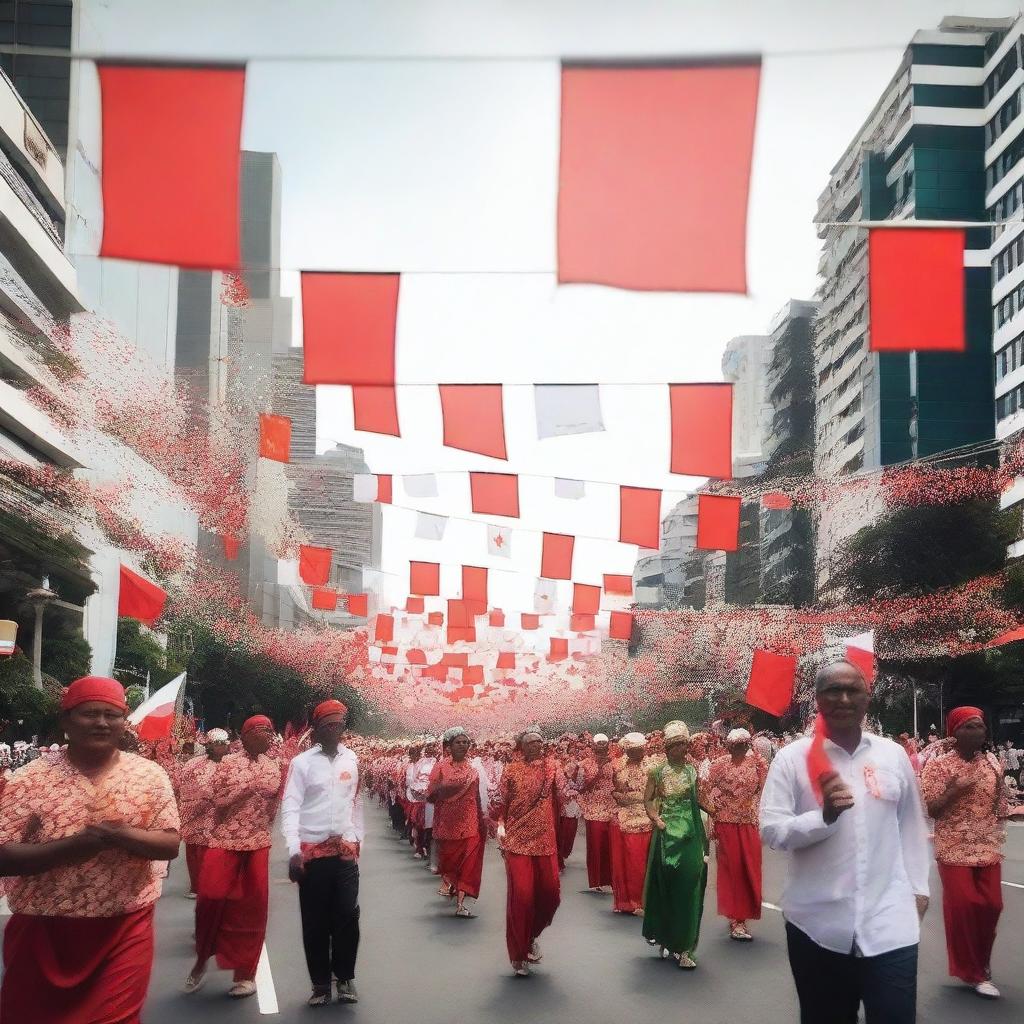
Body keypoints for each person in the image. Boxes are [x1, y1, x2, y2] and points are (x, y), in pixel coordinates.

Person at [760, 657, 930, 1024]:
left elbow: (911, 828)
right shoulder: (792, 759)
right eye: (833, 690)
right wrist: (822, 818)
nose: (843, 698)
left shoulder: (893, 755)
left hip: (890, 923)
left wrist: (918, 890)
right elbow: (772, 830)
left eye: (853, 690)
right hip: (816, 925)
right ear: (817, 699)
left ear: (867, 699)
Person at [0, 676, 180, 1022]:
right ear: (66, 721)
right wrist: (71, 848)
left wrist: (121, 835)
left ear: (123, 721)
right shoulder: (28, 779)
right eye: (89, 714)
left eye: (111, 715)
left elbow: (170, 843)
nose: (101, 722)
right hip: (42, 931)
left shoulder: (150, 776)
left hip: (124, 928)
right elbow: (3, 854)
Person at [920, 707, 1020, 1000]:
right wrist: (953, 792)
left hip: (988, 845)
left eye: (980, 726)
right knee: (964, 905)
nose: (978, 732)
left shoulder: (992, 762)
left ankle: (980, 964)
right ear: (955, 731)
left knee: (991, 906)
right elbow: (932, 809)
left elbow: (999, 803)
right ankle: (973, 972)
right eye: (969, 726)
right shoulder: (939, 766)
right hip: (953, 846)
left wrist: (1014, 813)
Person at [187, 714, 284, 998]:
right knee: (210, 898)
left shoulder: (274, 766)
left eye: (270, 731)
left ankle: (245, 974)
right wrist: (246, 790)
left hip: (257, 843)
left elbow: (272, 808)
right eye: (263, 731)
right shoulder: (227, 764)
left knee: (252, 909)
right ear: (246, 736)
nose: (269, 736)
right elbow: (215, 800)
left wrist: (264, 823)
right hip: (224, 840)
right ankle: (202, 957)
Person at [281, 699, 363, 1006]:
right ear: (316, 729)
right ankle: (319, 984)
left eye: (339, 724)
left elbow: (355, 803)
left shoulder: (352, 760)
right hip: (312, 853)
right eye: (328, 725)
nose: (335, 730)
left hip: (343, 851)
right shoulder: (301, 763)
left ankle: (344, 977)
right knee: (315, 921)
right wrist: (292, 850)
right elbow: (290, 807)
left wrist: (357, 838)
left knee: (347, 915)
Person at [493, 726, 566, 977]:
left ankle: (532, 934)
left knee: (551, 895)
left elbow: (565, 793)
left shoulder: (552, 768)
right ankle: (519, 954)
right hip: (517, 841)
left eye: (539, 741)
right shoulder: (511, 770)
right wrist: (500, 830)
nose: (536, 745)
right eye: (531, 742)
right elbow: (499, 804)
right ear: (521, 747)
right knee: (522, 897)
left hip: (545, 841)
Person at [642, 721, 707, 969]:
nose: (682, 749)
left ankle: (686, 948)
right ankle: (666, 937)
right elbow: (647, 799)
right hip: (667, 836)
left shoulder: (693, 771)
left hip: (691, 836)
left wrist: (715, 811)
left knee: (690, 888)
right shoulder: (657, 773)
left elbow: (698, 799)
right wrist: (656, 818)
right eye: (677, 745)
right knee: (667, 888)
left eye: (684, 744)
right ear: (667, 749)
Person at [705, 727, 767, 941]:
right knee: (732, 870)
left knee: (750, 868)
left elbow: (766, 793)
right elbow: (703, 790)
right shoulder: (718, 765)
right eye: (736, 745)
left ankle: (744, 915)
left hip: (749, 822)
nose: (740, 749)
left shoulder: (758, 765)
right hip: (726, 823)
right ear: (729, 746)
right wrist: (714, 809)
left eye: (743, 745)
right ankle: (736, 919)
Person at [427, 726, 485, 917]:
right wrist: (445, 790)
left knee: (469, 863)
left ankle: (461, 903)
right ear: (449, 746)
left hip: (470, 823)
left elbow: (477, 796)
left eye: (465, 742)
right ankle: (450, 882)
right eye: (458, 742)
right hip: (448, 824)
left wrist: (484, 819)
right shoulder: (440, 767)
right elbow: (431, 794)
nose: (462, 745)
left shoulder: (474, 769)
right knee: (451, 863)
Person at [178, 727, 231, 899]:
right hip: (196, 814)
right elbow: (183, 787)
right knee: (195, 852)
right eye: (216, 744)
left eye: (223, 744)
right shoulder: (194, 764)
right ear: (208, 745)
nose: (221, 748)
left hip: (222, 816)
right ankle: (197, 887)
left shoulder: (233, 764)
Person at [610, 732, 653, 915]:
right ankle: (625, 901)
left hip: (648, 819)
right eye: (632, 750)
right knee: (624, 863)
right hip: (624, 818)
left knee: (642, 863)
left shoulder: (653, 766)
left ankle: (642, 901)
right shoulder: (617, 766)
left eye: (639, 750)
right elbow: (611, 790)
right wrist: (622, 798)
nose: (636, 753)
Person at [575, 732, 616, 893]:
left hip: (611, 807)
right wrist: (599, 769)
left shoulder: (615, 762)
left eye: (604, 743)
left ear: (608, 745)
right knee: (595, 845)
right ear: (593, 745)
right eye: (598, 743)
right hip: (593, 808)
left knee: (610, 845)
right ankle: (596, 880)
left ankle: (610, 879)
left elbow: (617, 781)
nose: (601, 746)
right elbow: (581, 786)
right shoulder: (585, 764)